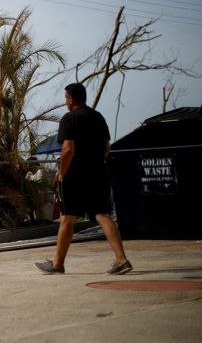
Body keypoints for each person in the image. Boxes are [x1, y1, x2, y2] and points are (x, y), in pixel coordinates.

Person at [35, 83, 132, 275]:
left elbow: (68, 150)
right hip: (98, 173)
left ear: (70, 99)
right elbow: (106, 148)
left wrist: (62, 173)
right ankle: (122, 259)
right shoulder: (98, 117)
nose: (66, 102)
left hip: (75, 175)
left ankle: (57, 264)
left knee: (67, 218)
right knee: (103, 215)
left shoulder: (69, 118)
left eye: (66, 99)